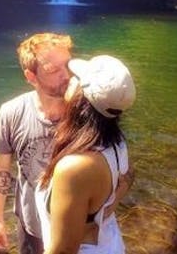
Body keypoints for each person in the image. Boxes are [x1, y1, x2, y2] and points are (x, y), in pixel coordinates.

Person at [36, 54, 136, 254]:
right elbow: (130, 174)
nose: (69, 79)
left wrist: (99, 211)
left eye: (75, 78)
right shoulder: (116, 142)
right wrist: (106, 208)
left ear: (81, 95)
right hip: (110, 245)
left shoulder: (75, 168)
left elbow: (64, 250)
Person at [0, 32, 74, 254]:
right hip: (31, 227)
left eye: (67, 65)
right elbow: (1, 167)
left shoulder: (88, 112)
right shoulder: (11, 113)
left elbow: (123, 172)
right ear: (31, 76)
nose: (66, 75)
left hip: (76, 232)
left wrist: (102, 215)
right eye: (54, 70)